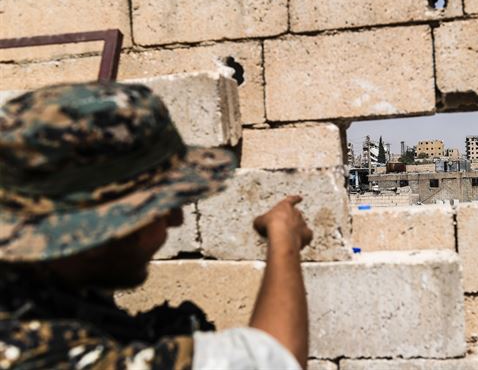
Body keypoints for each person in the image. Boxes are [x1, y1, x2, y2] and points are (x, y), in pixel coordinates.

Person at [0, 82, 313, 369]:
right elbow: (272, 361)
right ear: (95, 232)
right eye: (156, 210)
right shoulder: (35, 353)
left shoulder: (30, 282)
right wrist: (284, 236)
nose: (176, 219)